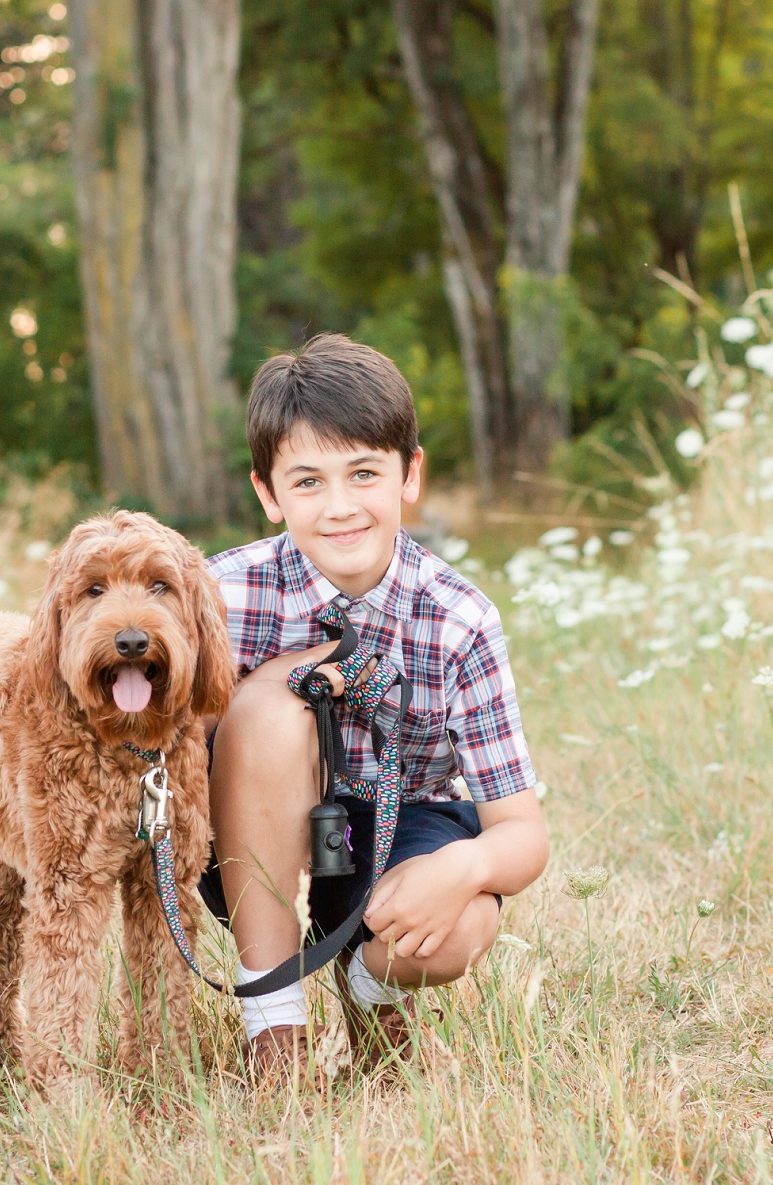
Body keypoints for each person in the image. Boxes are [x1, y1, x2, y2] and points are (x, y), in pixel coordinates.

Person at [203, 333, 549, 1078]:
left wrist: (465, 866)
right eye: (307, 482)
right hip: (243, 825)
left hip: (392, 825)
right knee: (268, 707)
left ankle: (366, 992)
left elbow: (523, 835)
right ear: (267, 494)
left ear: (409, 475)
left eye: (364, 473)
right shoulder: (218, 597)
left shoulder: (460, 619)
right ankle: (275, 1029)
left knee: (464, 922)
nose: (340, 508)